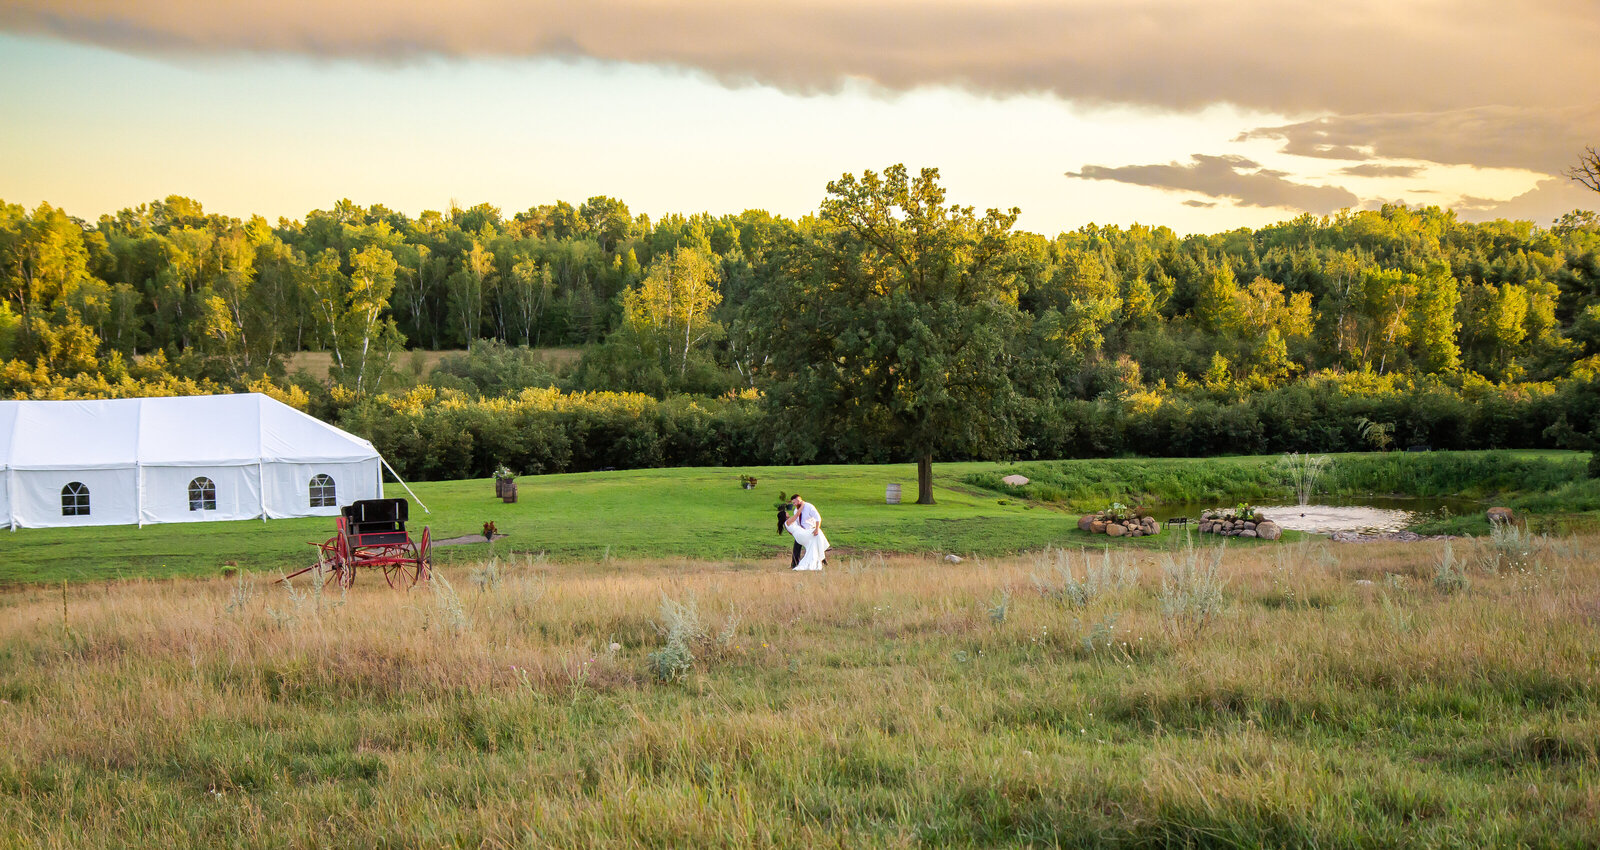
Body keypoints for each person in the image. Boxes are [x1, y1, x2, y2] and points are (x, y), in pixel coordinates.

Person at [787, 494, 830, 570]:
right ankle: (794, 564)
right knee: (796, 547)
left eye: (794, 503)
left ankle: (823, 561)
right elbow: (797, 522)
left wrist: (817, 529)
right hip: (803, 532)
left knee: (817, 545)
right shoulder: (796, 510)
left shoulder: (809, 507)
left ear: (799, 500)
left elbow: (818, 518)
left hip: (811, 530)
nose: (794, 505)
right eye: (793, 503)